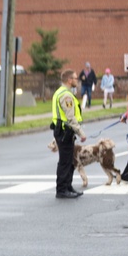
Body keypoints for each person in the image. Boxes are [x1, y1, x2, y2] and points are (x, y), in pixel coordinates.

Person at [51, 69, 87, 199]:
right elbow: (70, 117)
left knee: (69, 160)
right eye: (76, 79)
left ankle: (67, 186)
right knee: (65, 162)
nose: (77, 81)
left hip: (63, 130)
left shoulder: (61, 92)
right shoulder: (66, 95)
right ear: (69, 80)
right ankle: (61, 189)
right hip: (65, 131)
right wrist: (81, 133)